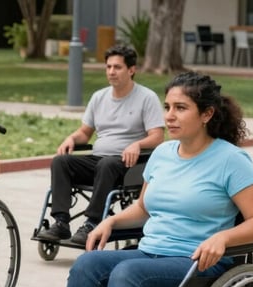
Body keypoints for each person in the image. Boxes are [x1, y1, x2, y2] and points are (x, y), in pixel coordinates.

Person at [25, 71, 253, 287]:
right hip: (150, 253)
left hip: (197, 264)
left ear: (207, 114)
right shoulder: (162, 154)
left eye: (181, 108)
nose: (169, 116)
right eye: (167, 107)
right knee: (87, 264)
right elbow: (144, 208)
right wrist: (112, 220)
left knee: (127, 275)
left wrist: (223, 238)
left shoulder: (231, 160)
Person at [36, 45, 165, 245]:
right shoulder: (99, 97)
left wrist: (138, 145)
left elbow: (157, 136)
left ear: (131, 70)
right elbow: (85, 133)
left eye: (118, 67)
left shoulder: (146, 98)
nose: (111, 72)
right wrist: (71, 138)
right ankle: (61, 222)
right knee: (61, 161)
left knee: (107, 165)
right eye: (108, 67)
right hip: (98, 161)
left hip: (128, 164)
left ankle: (92, 223)